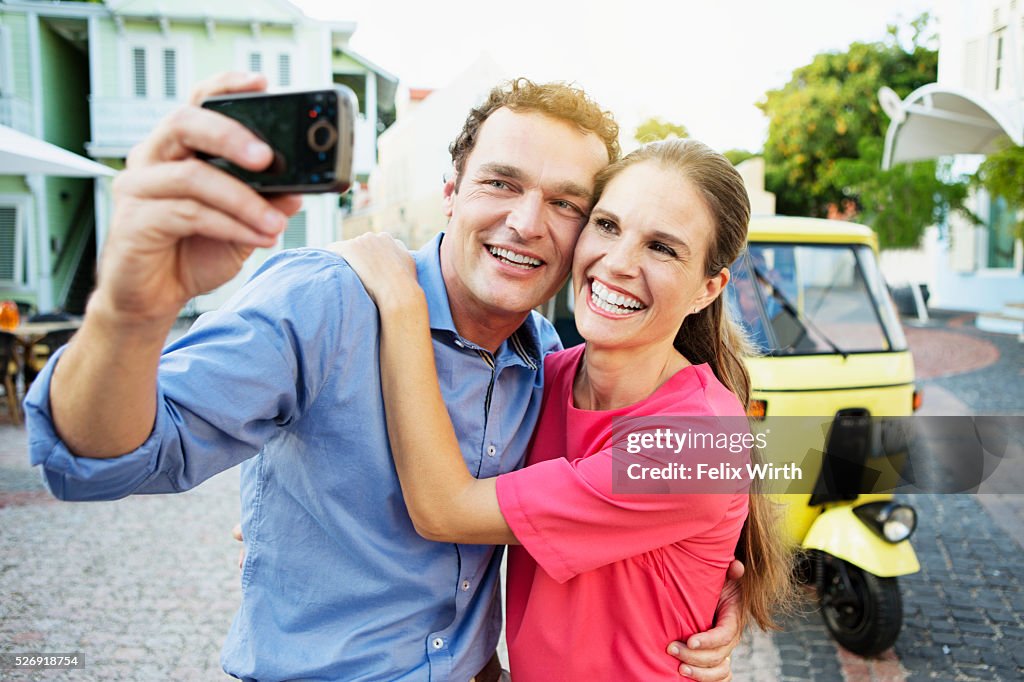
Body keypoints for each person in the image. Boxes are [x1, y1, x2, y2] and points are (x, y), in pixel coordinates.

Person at [26, 72, 743, 680]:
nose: (528, 222)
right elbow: (103, 460)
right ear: (452, 190)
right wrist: (129, 312)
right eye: (502, 183)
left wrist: (726, 583)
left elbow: (744, 462)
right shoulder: (335, 302)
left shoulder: (542, 355)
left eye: (565, 203)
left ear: (710, 287)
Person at [333, 138, 794, 679]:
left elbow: (446, 509)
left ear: (708, 288)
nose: (618, 262)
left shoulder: (694, 442)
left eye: (663, 248)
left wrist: (402, 301)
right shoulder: (542, 377)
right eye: (607, 225)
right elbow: (414, 448)